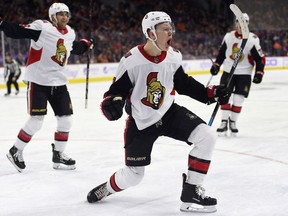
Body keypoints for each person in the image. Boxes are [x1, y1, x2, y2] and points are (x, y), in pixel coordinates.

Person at [87, 11, 229, 213]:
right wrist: (112, 104)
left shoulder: (173, 57)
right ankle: (107, 188)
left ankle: (191, 192)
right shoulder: (131, 61)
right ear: (150, 33)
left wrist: (210, 93)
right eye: (165, 28)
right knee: (134, 176)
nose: (170, 32)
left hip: (169, 113)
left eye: (171, 27)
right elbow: (113, 94)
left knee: (206, 136)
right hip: (141, 122)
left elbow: (183, 83)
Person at [0, 2, 93, 172]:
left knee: (66, 120)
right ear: (52, 17)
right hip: (39, 81)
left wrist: (86, 45)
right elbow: (18, 31)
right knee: (36, 121)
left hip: (59, 83)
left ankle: (58, 155)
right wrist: (2, 24)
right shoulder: (42, 27)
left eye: (66, 14)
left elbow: (73, 48)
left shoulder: (70, 33)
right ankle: (16, 151)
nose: (64, 17)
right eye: (60, 14)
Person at [210, 13, 266, 136]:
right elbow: (221, 54)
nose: (241, 26)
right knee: (224, 96)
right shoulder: (228, 37)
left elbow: (259, 59)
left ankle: (233, 122)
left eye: (244, 23)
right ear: (236, 23)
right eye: (239, 23)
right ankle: (224, 121)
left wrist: (259, 72)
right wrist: (216, 65)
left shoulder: (252, 39)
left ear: (248, 24)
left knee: (238, 99)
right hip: (228, 71)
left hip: (244, 74)